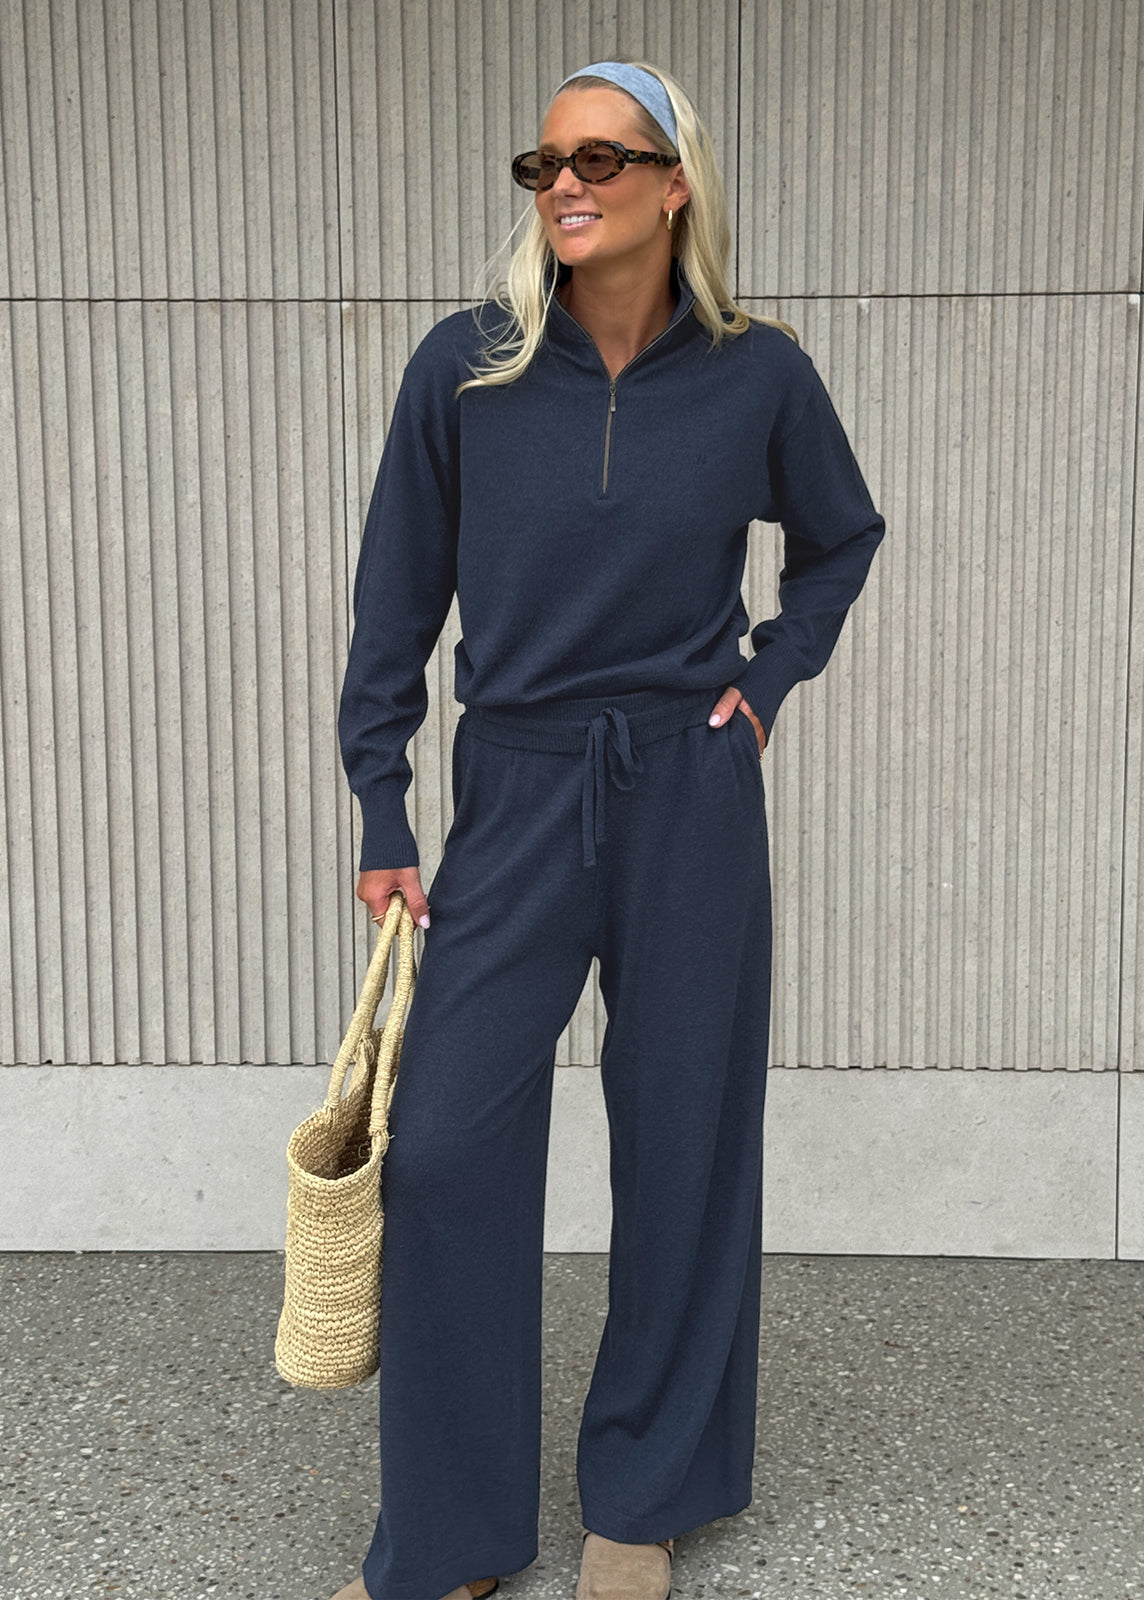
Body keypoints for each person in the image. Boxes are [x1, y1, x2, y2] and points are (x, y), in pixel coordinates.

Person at [330, 57, 884, 1600]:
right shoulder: (470, 368)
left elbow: (841, 539)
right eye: (544, 163)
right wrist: (383, 790)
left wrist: (767, 682)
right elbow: (397, 600)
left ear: (674, 183)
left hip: (686, 791)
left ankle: (640, 1496)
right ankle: (449, 1534)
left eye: (602, 157)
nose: (565, 184)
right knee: (442, 1151)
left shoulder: (757, 372)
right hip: (511, 783)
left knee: (687, 1137)